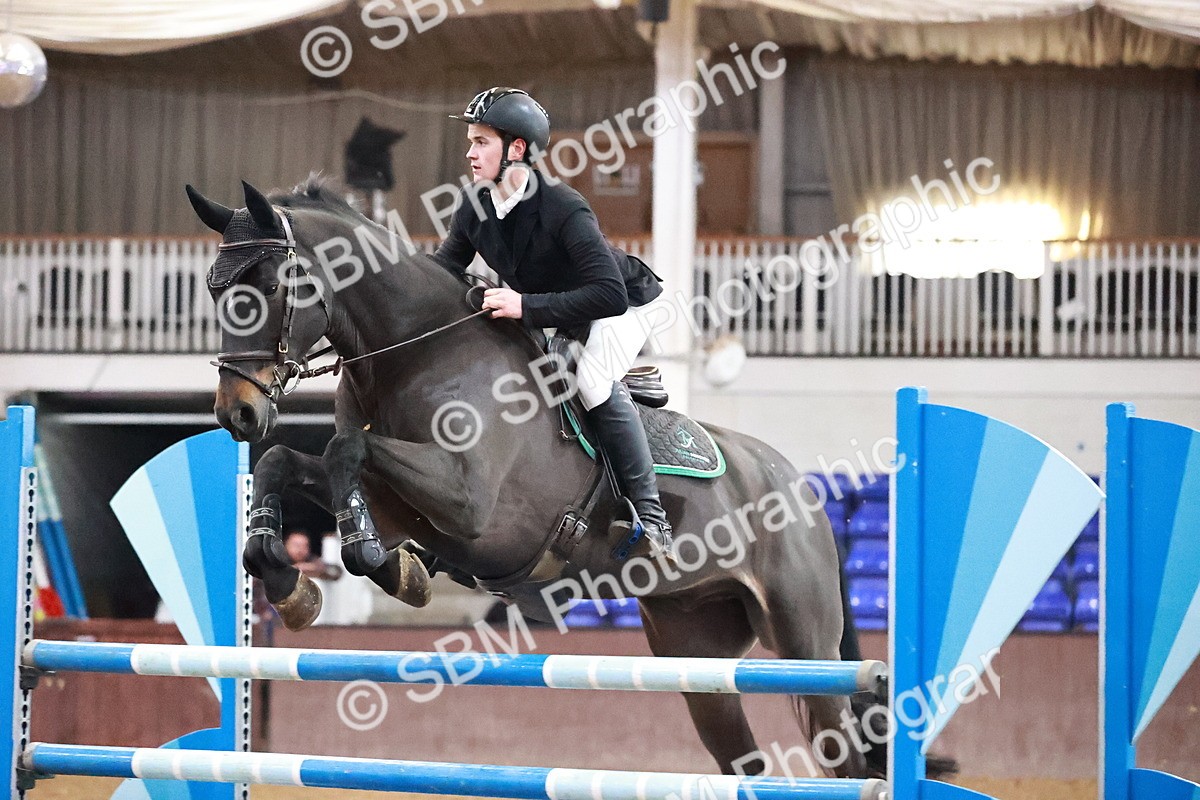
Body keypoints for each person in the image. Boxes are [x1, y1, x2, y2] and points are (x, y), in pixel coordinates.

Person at [432, 86, 673, 556]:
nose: (470, 152)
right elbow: (444, 271)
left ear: (516, 149)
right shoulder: (473, 205)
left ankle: (652, 517)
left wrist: (525, 306)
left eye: (481, 141)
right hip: (561, 308)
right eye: (471, 141)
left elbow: (608, 293)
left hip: (626, 304)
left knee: (590, 379)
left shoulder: (564, 207)